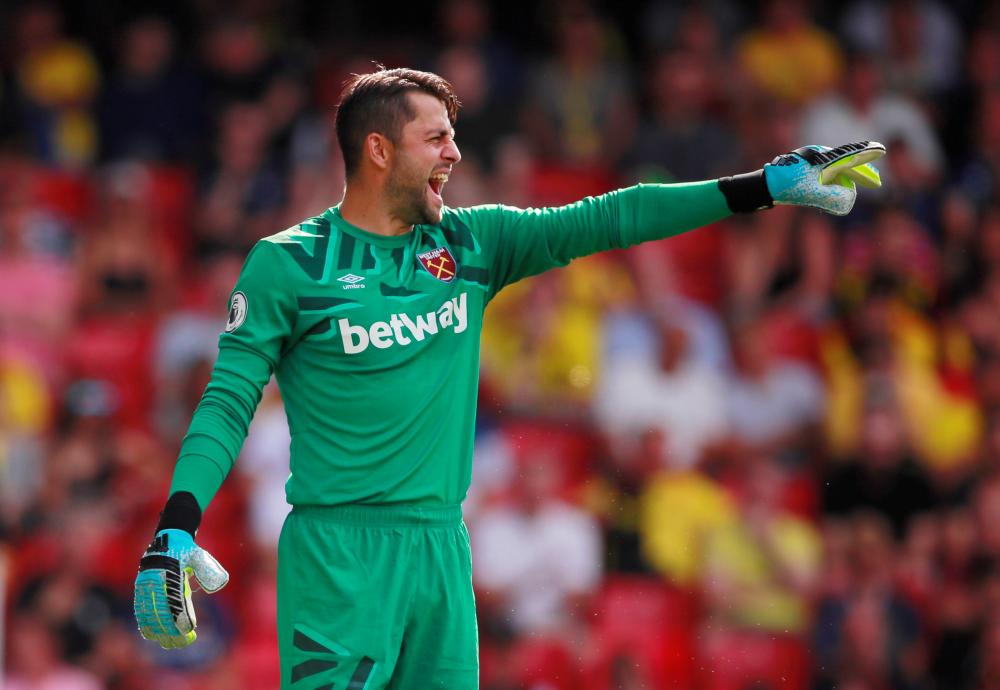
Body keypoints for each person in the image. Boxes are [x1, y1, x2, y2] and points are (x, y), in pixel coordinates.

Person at [132, 67, 883, 689]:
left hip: (440, 550)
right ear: (379, 150)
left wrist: (764, 186)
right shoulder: (287, 263)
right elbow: (229, 398)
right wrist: (177, 522)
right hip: (338, 555)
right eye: (437, 137)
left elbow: (615, 217)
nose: (455, 152)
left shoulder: (475, 242)